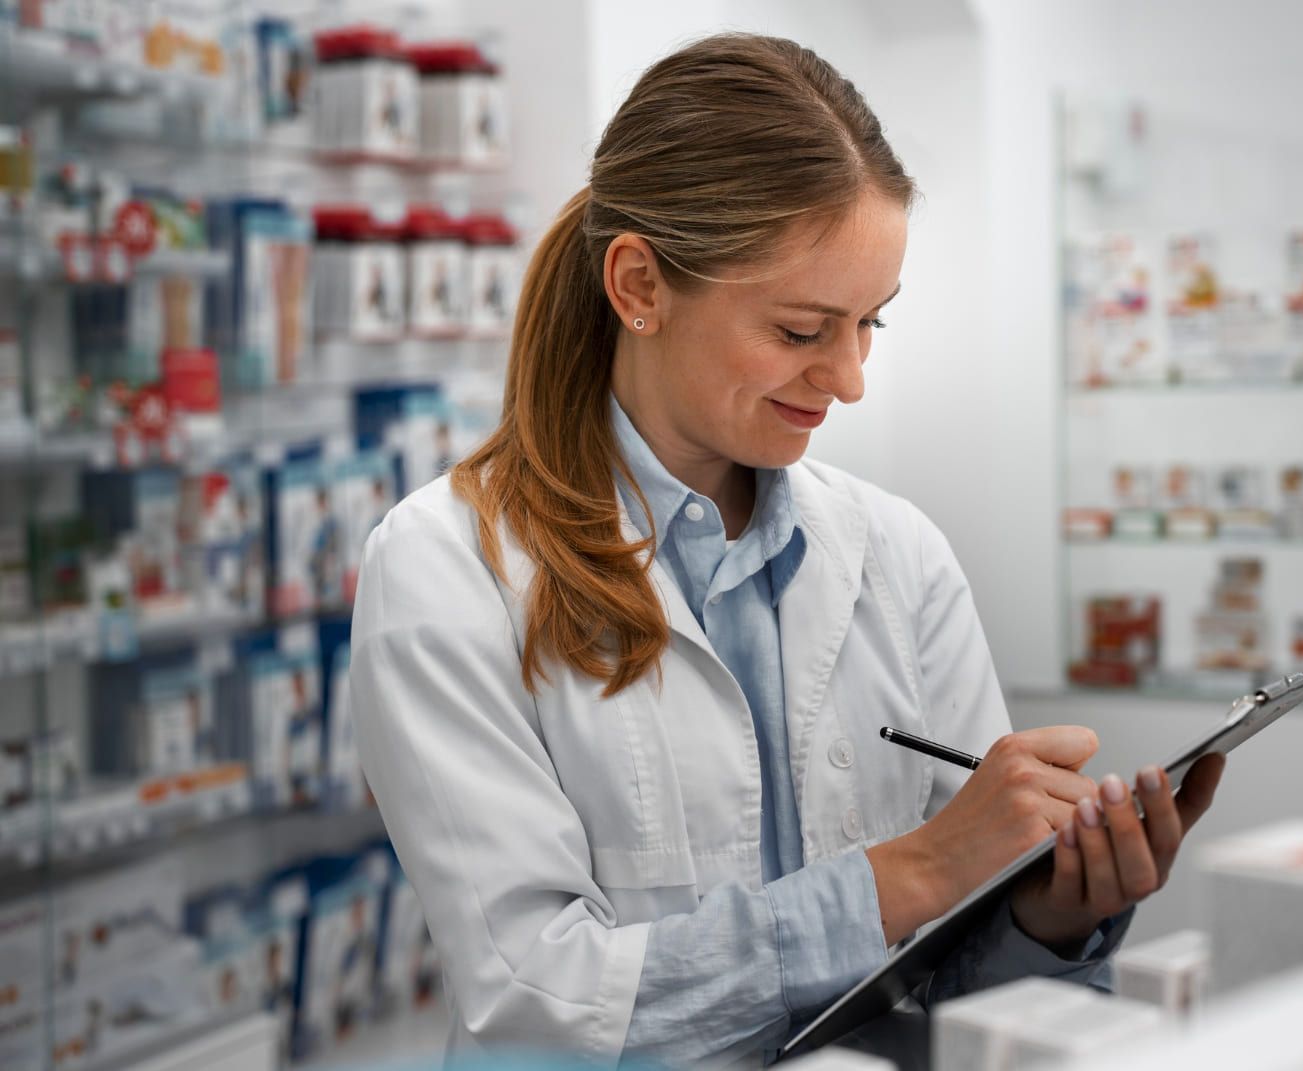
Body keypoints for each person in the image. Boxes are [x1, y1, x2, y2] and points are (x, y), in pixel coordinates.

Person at [350, 32, 1224, 1069]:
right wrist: (908, 874)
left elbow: (940, 978)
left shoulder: (898, 554)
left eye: (870, 327)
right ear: (638, 284)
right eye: (805, 330)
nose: (849, 379)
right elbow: (539, 991)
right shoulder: (448, 570)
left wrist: (1048, 914)